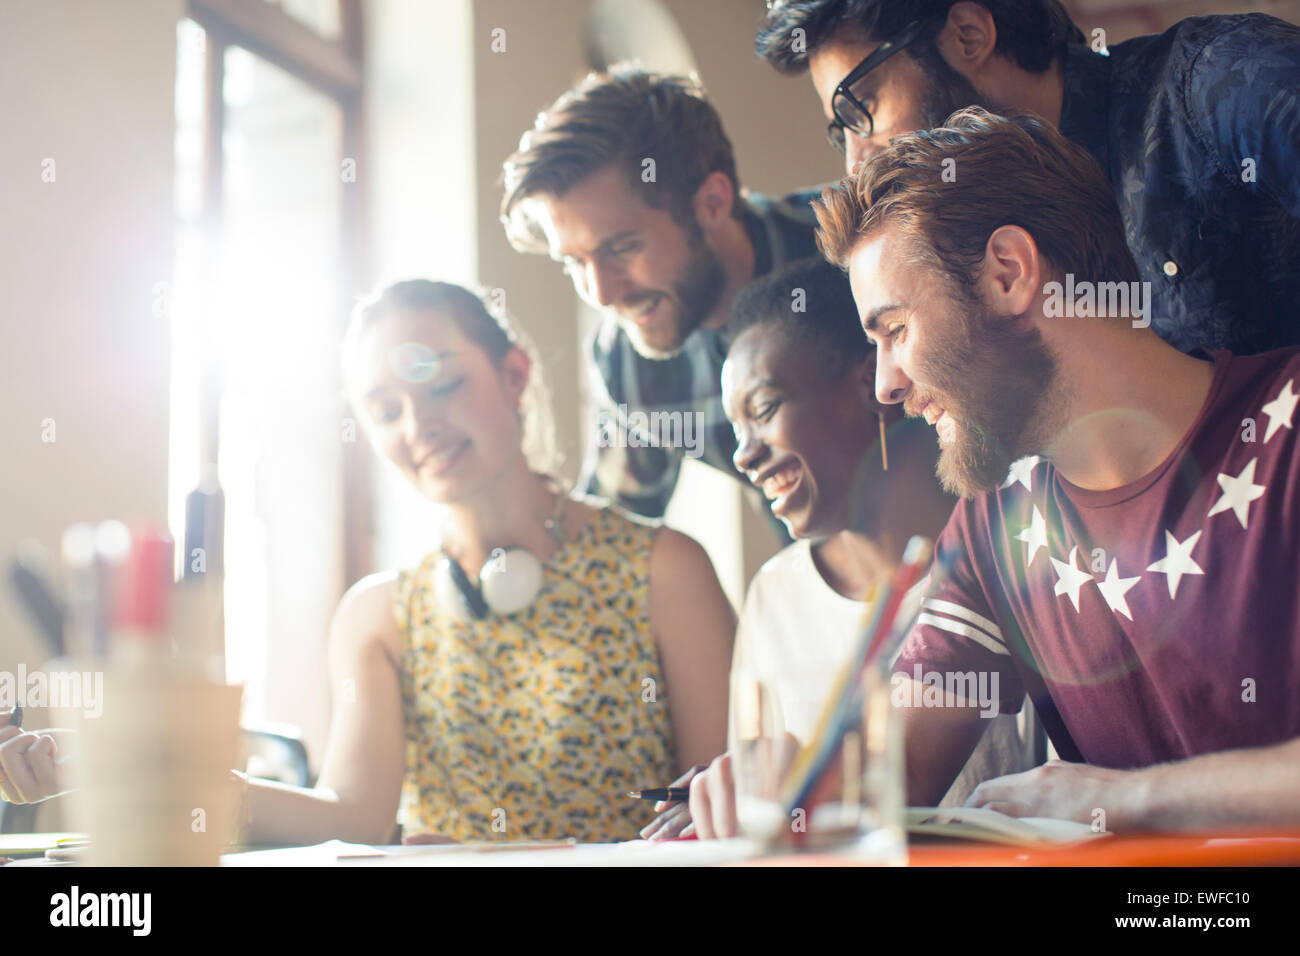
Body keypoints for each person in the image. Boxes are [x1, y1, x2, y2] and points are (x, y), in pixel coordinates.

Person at [2, 280, 737, 846]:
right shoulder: (378, 615)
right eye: (386, 409)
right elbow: (350, 817)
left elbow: (715, 809)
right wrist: (146, 764)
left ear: (515, 376)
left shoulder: (665, 569)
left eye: (442, 384)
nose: (421, 426)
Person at [815, 106, 1300, 831]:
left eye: (896, 329)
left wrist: (1128, 800)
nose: (885, 384)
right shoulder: (993, 528)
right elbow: (876, 786)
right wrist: (770, 794)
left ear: (1009, 273)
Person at [640, 258, 1042, 840]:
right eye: (736, 431)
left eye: (765, 410)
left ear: (870, 388)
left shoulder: (1006, 553)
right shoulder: (774, 595)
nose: (743, 456)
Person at [757, 0, 1300, 355]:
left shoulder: (1218, 81)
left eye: (862, 105)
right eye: (840, 132)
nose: (855, 162)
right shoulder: (989, 257)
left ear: (968, 36)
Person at [500, 66, 836, 521]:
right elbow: (615, 543)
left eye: (621, 247)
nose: (600, 293)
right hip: (819, 583)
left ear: (712, 203)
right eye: (575, 261)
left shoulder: (858, 247)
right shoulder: (626, 361)